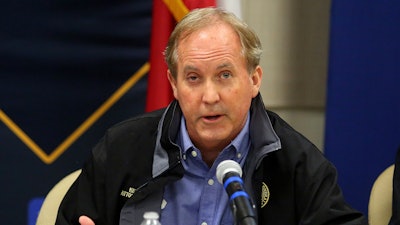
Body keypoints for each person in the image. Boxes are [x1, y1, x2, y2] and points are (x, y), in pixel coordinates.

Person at [56, 7, 367, 225]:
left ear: (254, 80)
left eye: (225, 75)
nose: (209, 96)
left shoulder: (297, 163)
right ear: (174, 85)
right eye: (193, 78)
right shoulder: (121, 150)